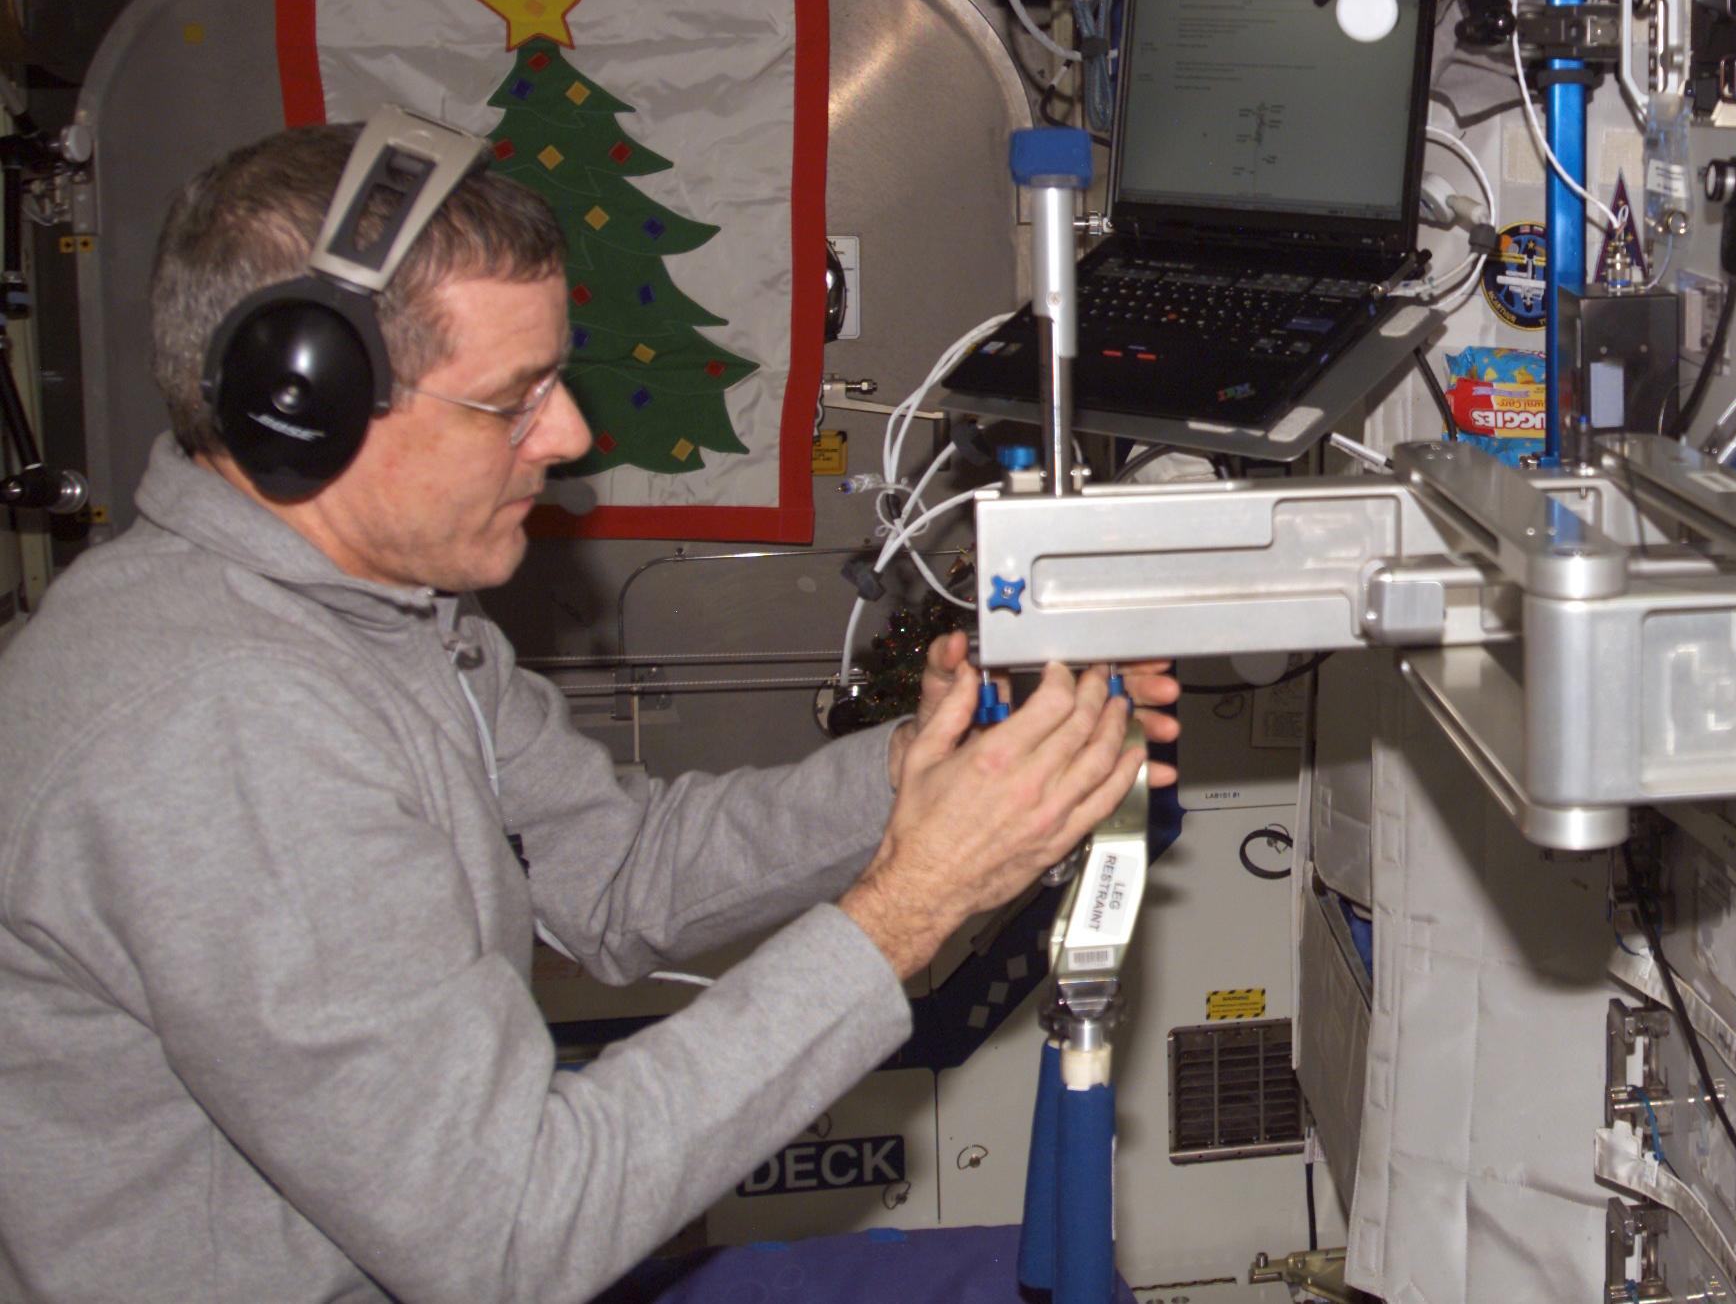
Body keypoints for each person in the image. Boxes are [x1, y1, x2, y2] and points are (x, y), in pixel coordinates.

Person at [0, 122, 1177, 1302]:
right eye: (511, 399)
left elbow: (615, 871)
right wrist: (913, 903)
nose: (567, 435)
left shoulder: (377, 610)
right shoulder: (224, 722)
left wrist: (931, 767)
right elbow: (511, 1233)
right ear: (305, 406)